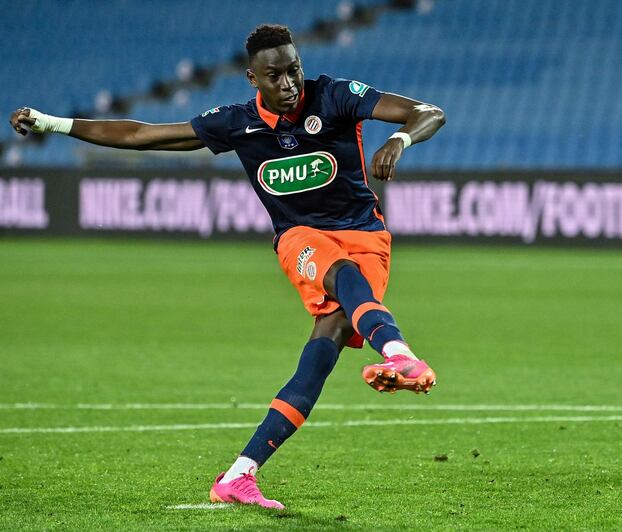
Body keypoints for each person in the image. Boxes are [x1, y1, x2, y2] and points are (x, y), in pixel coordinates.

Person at [8, 24, 445, 510]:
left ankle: (239, 475)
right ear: (252, 78)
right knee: (342, 275)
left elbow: (427, 112)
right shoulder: (236, 123)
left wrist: (401, 140)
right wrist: (51, 123)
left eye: (294, 71)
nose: (289, 84)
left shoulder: (336, 96)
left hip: (366, 235)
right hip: (301, 239)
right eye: (274, 76)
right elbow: (140, 134)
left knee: (323, 352)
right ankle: (399, 352)